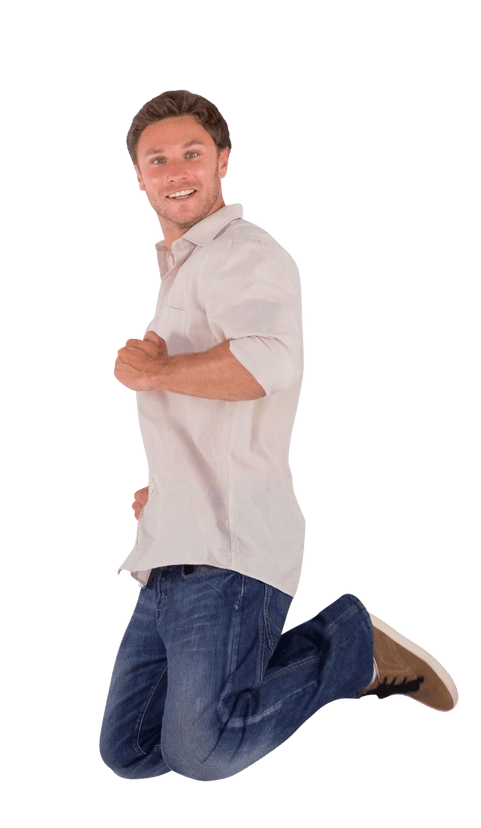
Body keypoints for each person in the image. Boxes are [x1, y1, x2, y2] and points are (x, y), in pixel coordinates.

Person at [98, 89, 458, 782]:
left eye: (192, 154)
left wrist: (159, 369)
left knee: (203, 753)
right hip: (174, 545)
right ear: (138, 177)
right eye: (158, 159)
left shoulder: (245, 253)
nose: (176, 170)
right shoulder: (183, 272)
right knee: (130, 749)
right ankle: (312, 661)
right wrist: (167, 489)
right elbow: (212, 415)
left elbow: (269, 363)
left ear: (224, 161)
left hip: (231, 546)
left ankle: (351, 645)